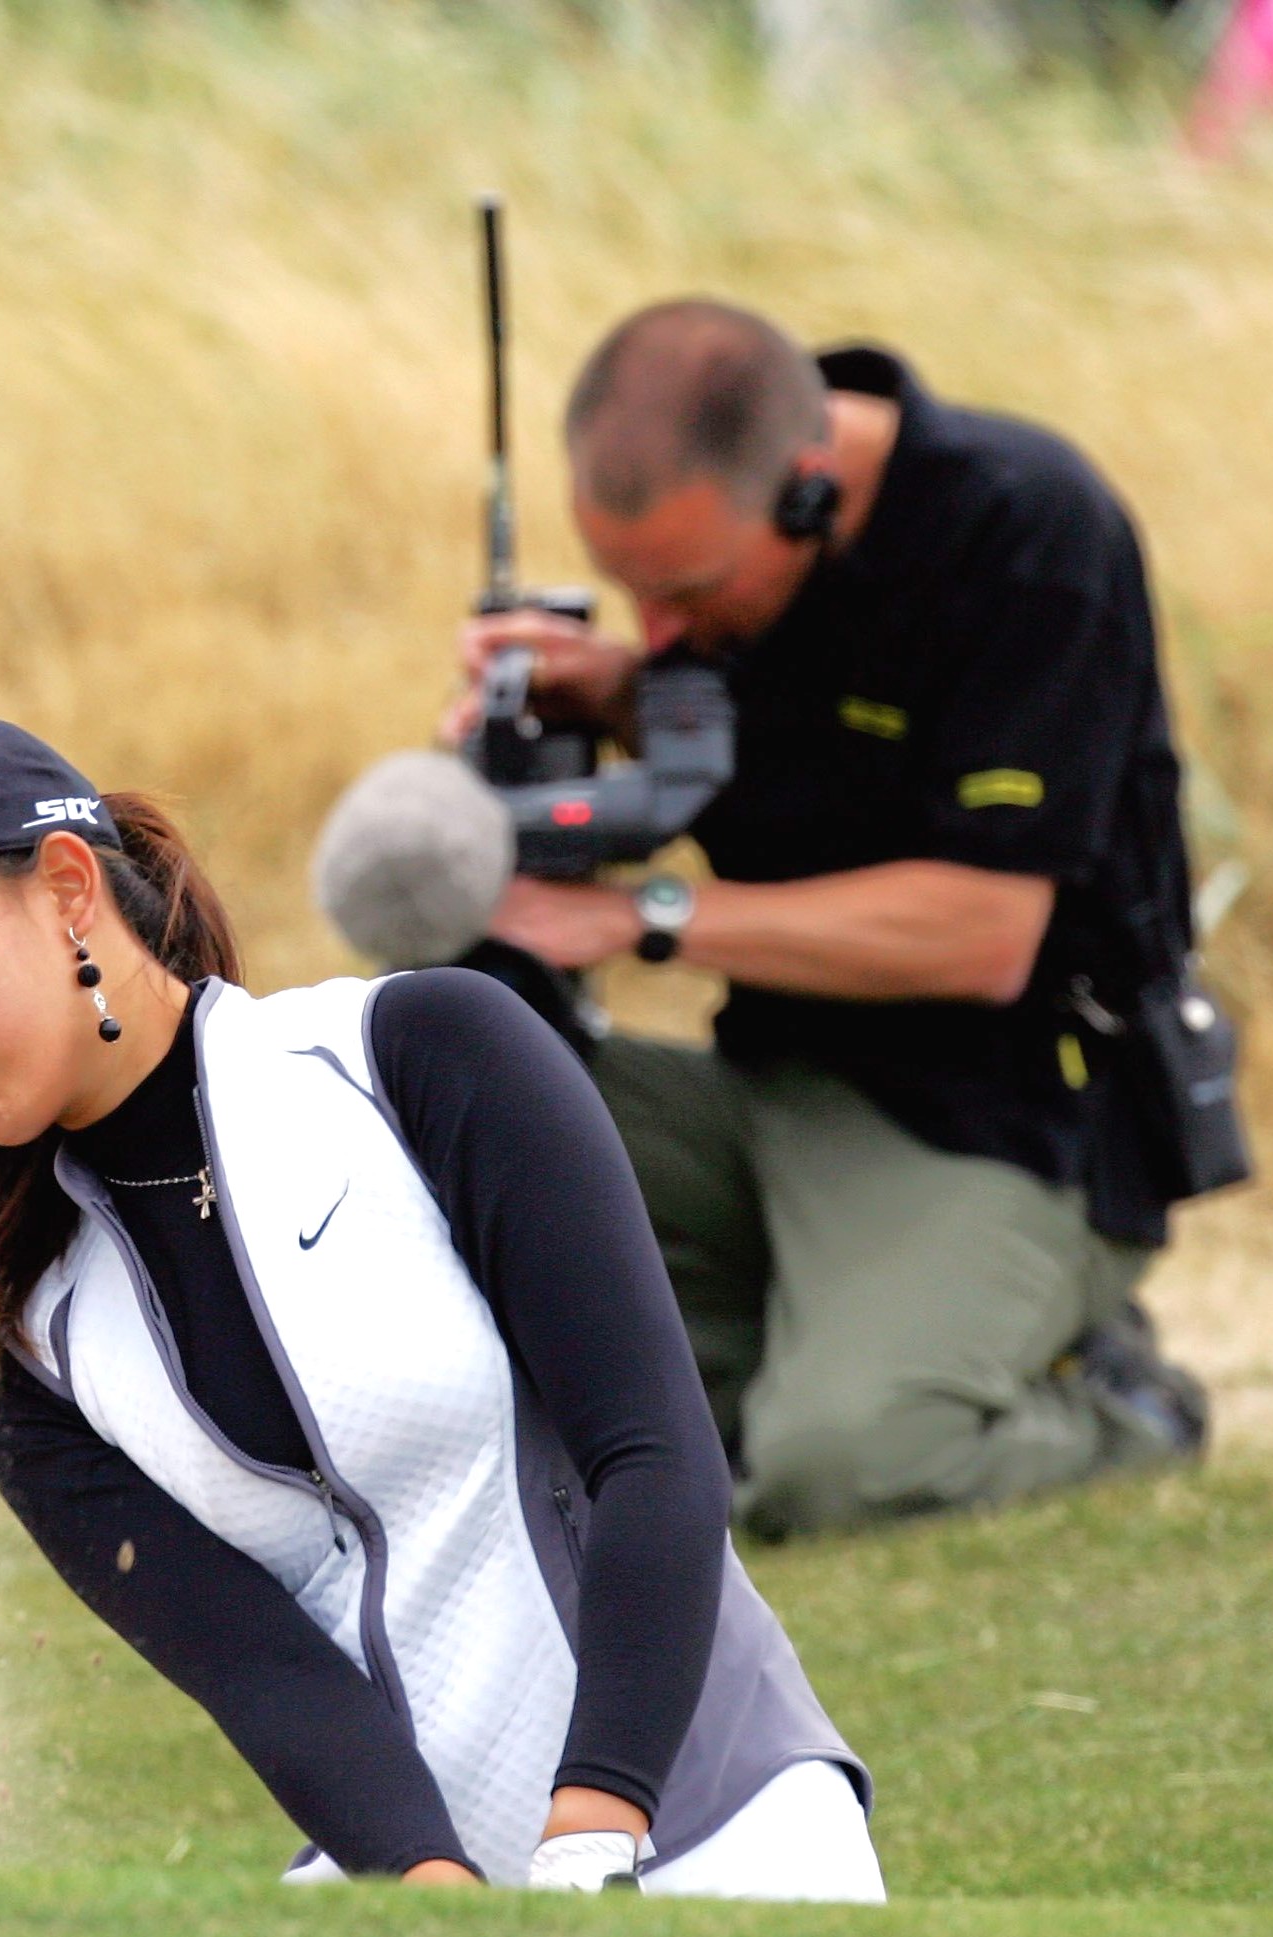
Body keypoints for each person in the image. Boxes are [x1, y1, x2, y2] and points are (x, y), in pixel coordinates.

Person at [0, 713, 881, 1899]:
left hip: (715, 1821)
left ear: (69, 887)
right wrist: (434, 1905)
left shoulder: (420, 1054)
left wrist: (596, 1831)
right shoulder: (28, 1358)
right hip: (401, 1887)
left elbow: (654, 1456)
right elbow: (260, 1668)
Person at [441, 301, 1224, 1543]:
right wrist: (602, 702)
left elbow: (980, 932)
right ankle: (842, 1346)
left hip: (1007, 1123)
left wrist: (636, 911)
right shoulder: (733, 575)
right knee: (440, 1121)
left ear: (810, 491)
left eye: (685, 593)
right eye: (634, 594)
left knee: (836, 1470)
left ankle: (1119, 1403)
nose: (666, 628)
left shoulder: (1028, 533)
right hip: (772, 1087)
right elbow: (777, 740)